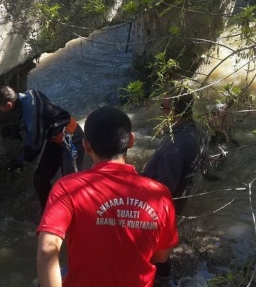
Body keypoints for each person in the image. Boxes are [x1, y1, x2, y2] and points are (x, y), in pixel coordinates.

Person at [36, 106, 178, 287]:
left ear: (86, 146)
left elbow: (47, 249)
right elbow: (161, 256)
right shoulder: (160, 194)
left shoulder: (67, 187)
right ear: (132, 141)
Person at [0, 86, 85, 209]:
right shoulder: (30, 94)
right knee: (39, 179)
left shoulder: (32, 116)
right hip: (55, 139)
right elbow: (43, 118)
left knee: (71, 186)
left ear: (9, 105)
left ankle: (79, 217)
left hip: (71, 138)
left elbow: (34, 149)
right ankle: (48, 214)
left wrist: (16, 163)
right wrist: (18, 129)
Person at [141, 92, 200, 283]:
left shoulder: (174, 146)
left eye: (163, 107)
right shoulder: (193, 130)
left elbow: (164, 188)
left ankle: (161, 273)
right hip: (181, 197)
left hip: (162, 205)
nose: (161, 111)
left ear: (175, 112)